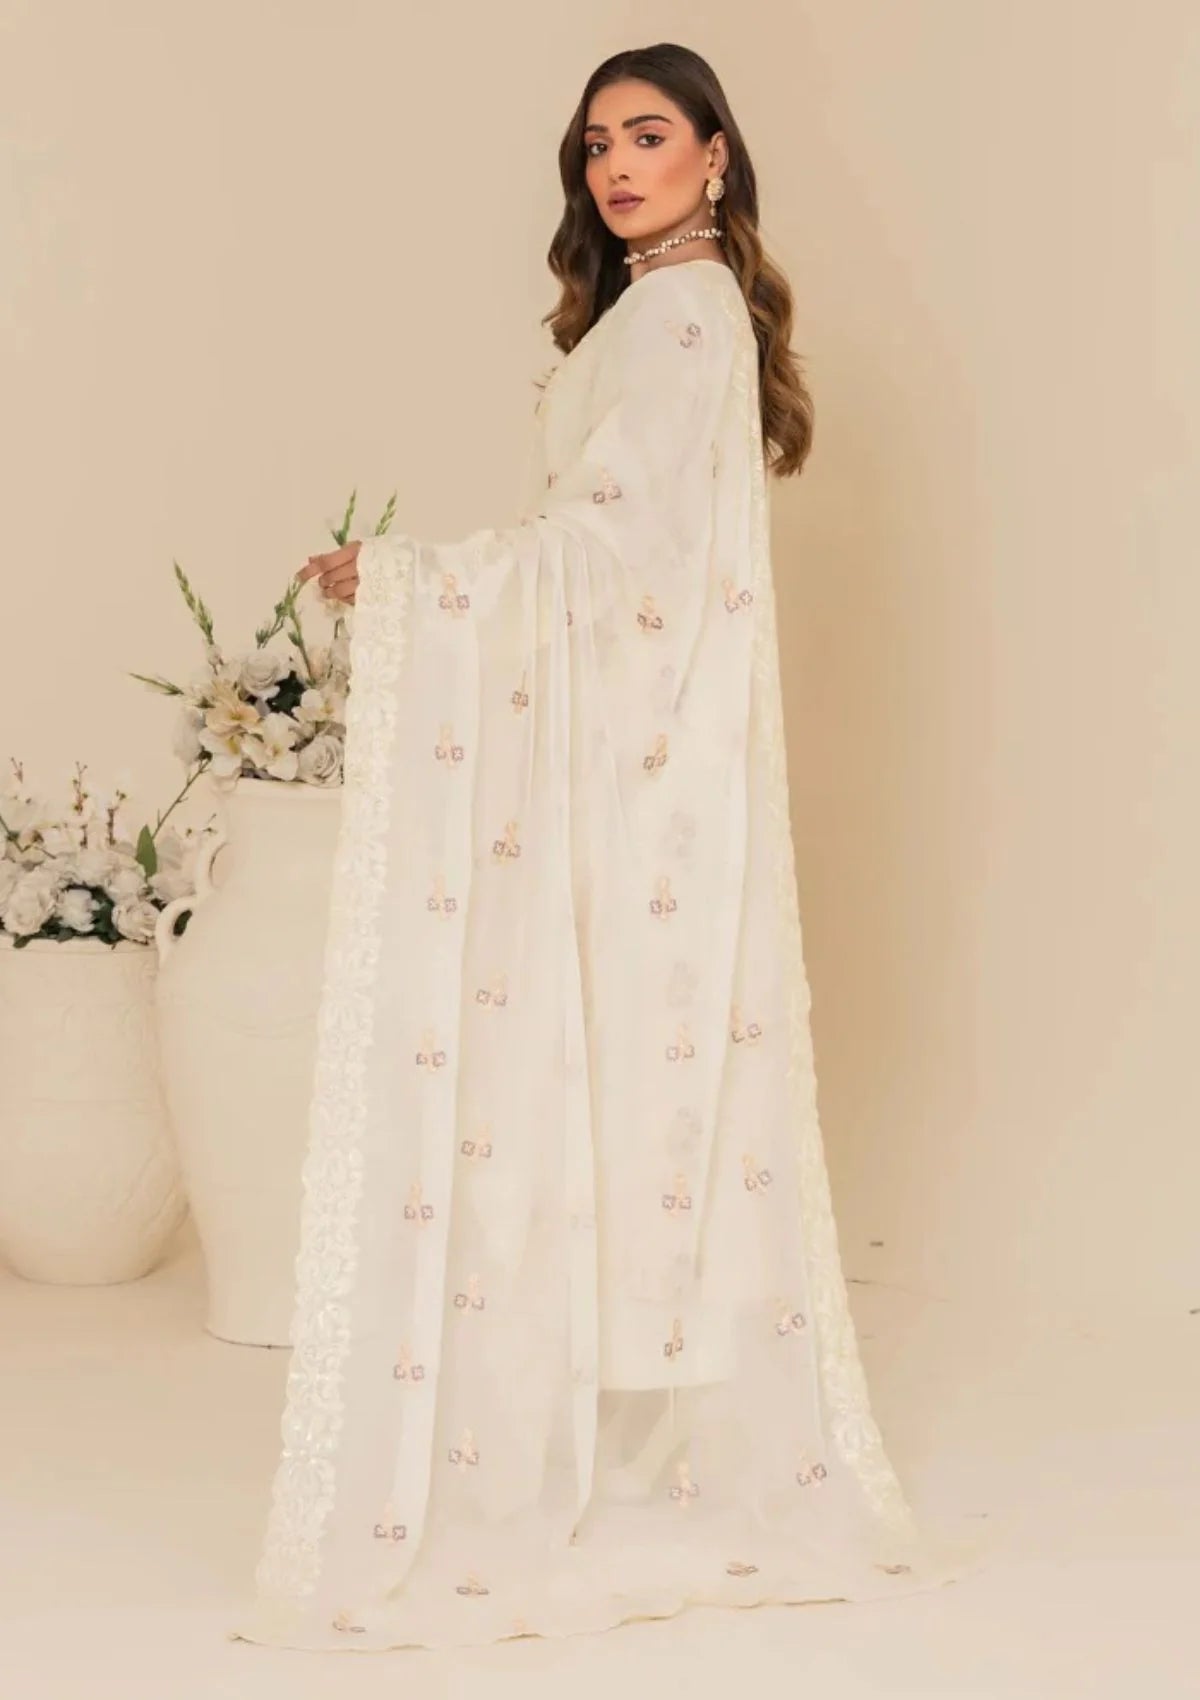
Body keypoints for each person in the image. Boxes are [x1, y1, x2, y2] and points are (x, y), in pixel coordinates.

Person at [232, 42, 984, 1655]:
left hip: (647, 764)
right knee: (631, 1070)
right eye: (595, 146)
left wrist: (419, 579)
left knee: (624, 1063)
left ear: (717, 155)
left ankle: (637, 1450)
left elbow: (618, 552)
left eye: (649, 135)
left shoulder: (687, 313)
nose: (618, 166)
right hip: (641, 748)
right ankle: (630, 1434)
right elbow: (609, 543)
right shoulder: (653, 315)